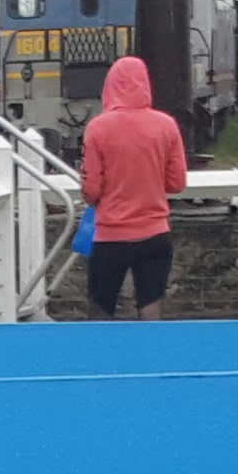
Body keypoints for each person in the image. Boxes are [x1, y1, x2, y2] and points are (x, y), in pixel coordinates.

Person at [78, 53, 191, 320]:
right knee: (151, 306)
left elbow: (92, 190)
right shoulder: (166, 125)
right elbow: (177, 183)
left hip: (110, 236)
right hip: (155, 235)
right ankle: (153, 347)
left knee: (100, 308)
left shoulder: (97, 128)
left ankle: (101, 349)